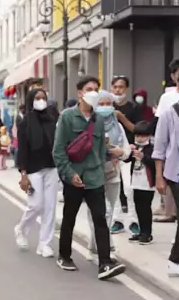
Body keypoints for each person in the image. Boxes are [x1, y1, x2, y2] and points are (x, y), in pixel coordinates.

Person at [53, 75, 125, 280]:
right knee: (70, 217)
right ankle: (64, 256)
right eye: (89, 89)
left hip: (95, 177)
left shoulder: (99, 120)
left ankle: (105, 263)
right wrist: (69, 174)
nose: (93, 92)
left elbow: (101, 149)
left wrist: (116, 155)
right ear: (80, 93)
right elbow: (58, 151)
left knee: (100, 219)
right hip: (74, 176)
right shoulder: (67, 117)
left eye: (96, 89)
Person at [14, 87, 58, 257]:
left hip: (51, 167)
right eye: (37, 98)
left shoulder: (52, 120)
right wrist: (23, 174)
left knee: (50, 207)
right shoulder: (25, 123)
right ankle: (21, 229)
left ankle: (44, 244)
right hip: (33, 169)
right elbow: (22, 150)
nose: (41, 101)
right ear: (30, 101)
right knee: (36, 205)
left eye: (43, 98)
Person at [87, 91, 130, 262]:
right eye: (101, 104)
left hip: (113, 173)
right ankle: (106, 247)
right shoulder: (89, 124)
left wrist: (121, 152)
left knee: (109, 211)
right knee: (97, 212)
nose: (105, 107)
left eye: (108, 104)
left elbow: (126, 150)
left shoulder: (118, 126)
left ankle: (94, 246)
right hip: (93, 174)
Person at [153, 67, 179, 277]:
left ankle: (177, 260)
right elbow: (159, 148)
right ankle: (177, 261)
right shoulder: (170, 114)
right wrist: (159, 176)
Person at [110, 75, 140, 236]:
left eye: (121, 87)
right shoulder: (107, 106)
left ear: (126, 89)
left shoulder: (133, 108)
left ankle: (134, 221)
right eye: (115, 87)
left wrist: (121, 117)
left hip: (128, 153)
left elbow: (137, 129)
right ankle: (117, 220)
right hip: (111, 154)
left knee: (129, 188)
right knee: (114, 188)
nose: (117, 90)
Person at [129, 121, 156, 246]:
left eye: (143, 136)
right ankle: (141, 231)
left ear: (149, 136)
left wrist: (143, 157)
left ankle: (147, 233)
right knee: (138, 207)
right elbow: (126, 159)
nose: (139, 138)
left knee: (145, 208)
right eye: (137, 135)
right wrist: (128, 150)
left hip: (147, 184)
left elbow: (154, 163)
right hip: (136, 182)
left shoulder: (152, 148)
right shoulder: (135, 147)